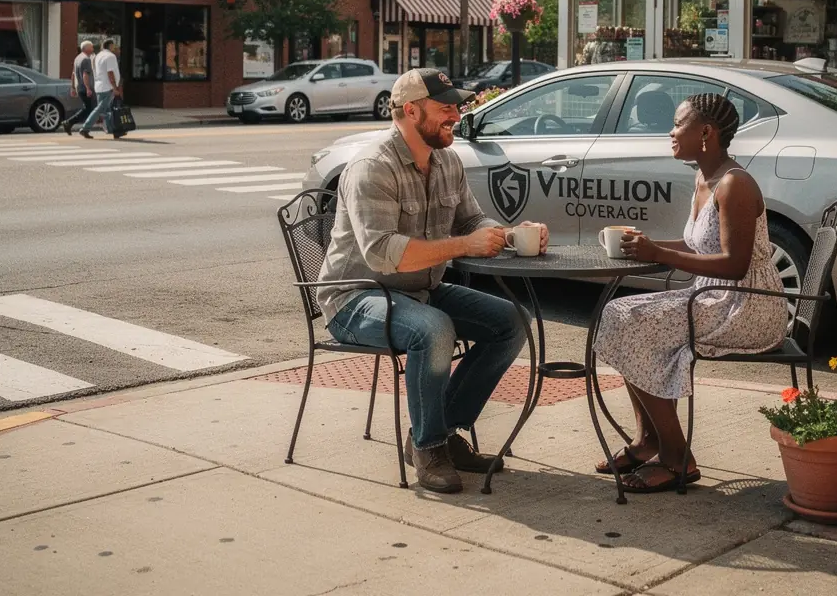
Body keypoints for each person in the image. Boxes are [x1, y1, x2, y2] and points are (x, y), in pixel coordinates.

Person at [317, 67, 548, 494]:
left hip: (421, 291)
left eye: (456, 107)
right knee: (434, 329)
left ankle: (444, 429)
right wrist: (465, 245)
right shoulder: (372, 167)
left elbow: (472, 221)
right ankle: (428, 448)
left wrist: (511, 234)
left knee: (513, 322)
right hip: (356, 298)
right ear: (411, 111)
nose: (456, 115)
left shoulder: (447, 161)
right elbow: (381, 252)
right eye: (445, 108)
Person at [592, 93, 787, 493]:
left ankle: (677, 457)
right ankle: (649, 440)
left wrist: (659, 254)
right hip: (713, 297)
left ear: (706, 133)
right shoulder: (703, 178)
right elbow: (697, 246)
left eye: (678, 124)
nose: (671, 131)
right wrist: (644, 246)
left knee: (634, 325)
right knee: (620, 315)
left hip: (747, 306)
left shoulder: (734, 184)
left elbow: (735, 264)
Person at [78, 39, 123, 139]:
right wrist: (115, 87)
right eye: (113, 45)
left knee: (106, 110)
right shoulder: (110, 56)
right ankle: (85, 128)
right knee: (100, 109)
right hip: (108, 87)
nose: (115, 47)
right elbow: (110, 72)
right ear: (110, 46)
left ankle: (114, 131)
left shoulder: (97, 56)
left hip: (99, 86)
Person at [63, 40, 95, 134]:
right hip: (85, 88)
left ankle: (70, 123)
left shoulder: (77, 58)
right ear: (87, 48)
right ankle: (69, 122)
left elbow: (73, 73)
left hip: (79, 87)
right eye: (92, 47)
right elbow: (85, 74)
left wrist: (73, 87)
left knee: (88, 108)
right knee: (89, 109)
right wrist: (88, 88)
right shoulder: (86, 59)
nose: (93, 49)